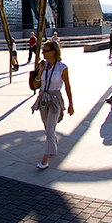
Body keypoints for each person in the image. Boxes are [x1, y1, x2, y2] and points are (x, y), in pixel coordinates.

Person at [30, 40, 74, 170]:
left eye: (45, 50)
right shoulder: (42, 66)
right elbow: (35, 85)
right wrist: (39, 71)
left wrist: (71, 103)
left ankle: (46, 158)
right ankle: (53, 141)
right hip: (43, 98)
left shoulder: (62, 67)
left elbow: (67, 86)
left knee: (49, 130)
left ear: (53, 52)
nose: (42, 52)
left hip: (55, 100)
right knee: (47, 127)